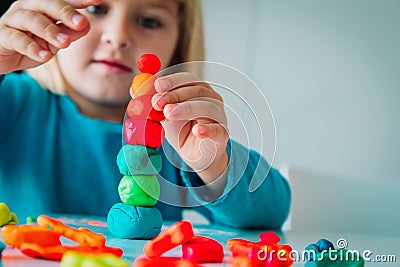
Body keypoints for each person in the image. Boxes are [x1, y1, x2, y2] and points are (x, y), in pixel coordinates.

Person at [0, 0, 290, 229]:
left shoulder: (177, 131)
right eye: (96, 9)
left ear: (179, 43)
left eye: (149, 21)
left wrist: (214, 166)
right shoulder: (14, 102)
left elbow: (272, 209)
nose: (118, 36)